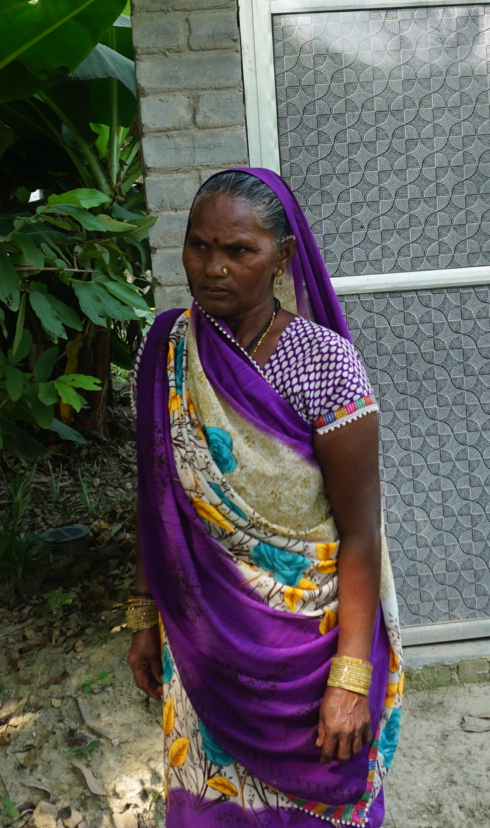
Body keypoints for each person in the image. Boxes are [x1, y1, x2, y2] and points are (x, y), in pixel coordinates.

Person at [125, 168, 403, 827]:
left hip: (313, 646)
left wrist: (349, 677)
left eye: (238, 251)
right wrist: (142, 615)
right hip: (202, 643)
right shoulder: (165, 348)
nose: (212, 267)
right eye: (199, 246)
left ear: (282, 258)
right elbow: (157, 498)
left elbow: (361, 534)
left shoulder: (324, 363)